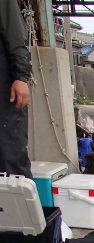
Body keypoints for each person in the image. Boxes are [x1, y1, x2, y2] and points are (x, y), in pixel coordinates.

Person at [0, 0, 32, 178]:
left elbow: (15, 34)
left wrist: (21, 77)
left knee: (10, 156)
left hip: (5, 88)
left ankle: (18, 206)